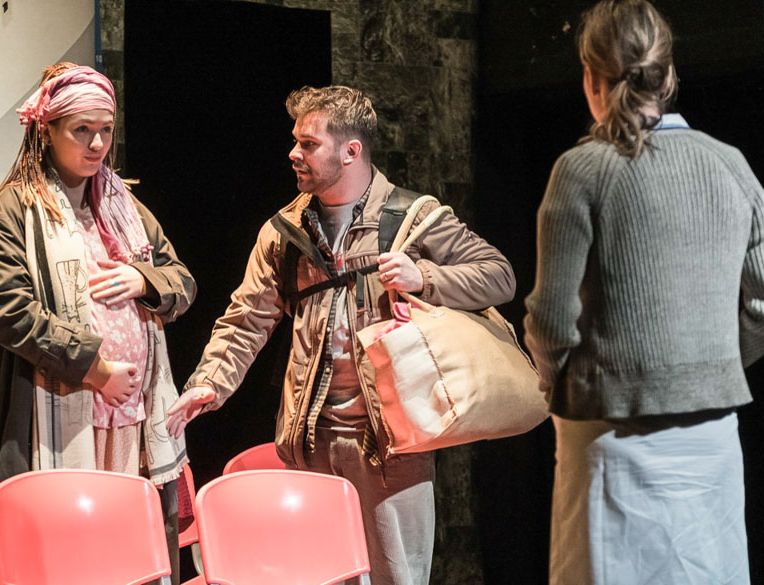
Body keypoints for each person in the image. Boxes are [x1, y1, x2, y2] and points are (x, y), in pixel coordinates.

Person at [166, 85, 515, 585]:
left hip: (390, 446)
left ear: (351, 150)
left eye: (308, 144)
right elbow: (246, 319)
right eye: (296, 141)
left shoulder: (414, 218)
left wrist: (424, 278)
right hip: (310, 441)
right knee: (318, 576)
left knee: (396, 577)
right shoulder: (285, 231)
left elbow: (498, 275)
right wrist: (209, 382)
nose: (294, 153)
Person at [523, 1, 764, 583]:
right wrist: (708, 368)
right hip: (711, 439)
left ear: (591, 78)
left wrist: (560, 386)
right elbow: (761, 306)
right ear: (668, 74)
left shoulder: (582, 170)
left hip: (609, 433)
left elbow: (551, 320)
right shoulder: (731, 165)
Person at [0, 62, 196, 585]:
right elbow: (6, 308)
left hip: (133, 418)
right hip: (58, 409)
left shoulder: (126, 205)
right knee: (65, 550)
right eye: (82, 130)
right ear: (46, 131)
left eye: (106, 130)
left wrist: (144, 280)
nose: (97, 144)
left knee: (127, 550)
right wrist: (96, 369)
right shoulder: (16, 208)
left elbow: (182, 280)